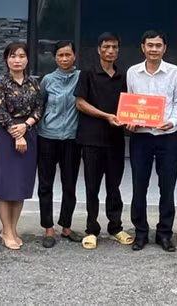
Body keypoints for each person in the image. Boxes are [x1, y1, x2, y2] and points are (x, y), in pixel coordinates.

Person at [126, 30, 177, 252]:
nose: (154, 49)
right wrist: (130, 120)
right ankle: (140, 232)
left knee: (167, 187)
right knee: (139, 186)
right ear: (143, 48)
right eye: (150, 45)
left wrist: (172, 121)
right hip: (140, 138)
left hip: (166, 137)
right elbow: (130, 102)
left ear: (164, 48)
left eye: (158, 45)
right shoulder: (133, 73)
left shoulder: (174, 72)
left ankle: (164, 233)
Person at [74, 32, 132, 250]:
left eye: (115, 47)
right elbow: (80, 103)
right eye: (106, 47)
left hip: (115, 140)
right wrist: (106, 116)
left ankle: (115, 227)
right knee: (92, 186)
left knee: (114, 186)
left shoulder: (123, 76)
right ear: (99, 49)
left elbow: (131, 106)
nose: (110, 51)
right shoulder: (88, 73)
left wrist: (132, 119)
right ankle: (91, 229)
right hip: (91, 140)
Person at [0, 42, 42, 250]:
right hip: (6, 135)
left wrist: (26, 126)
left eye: (21, 56)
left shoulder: (34, 83)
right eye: (13, 56)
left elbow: (39, 107)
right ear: (6, 59)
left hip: (28, 133)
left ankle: (13, 227)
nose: (17, 60)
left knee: (20, 185)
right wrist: (15, 132)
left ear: (27, 59)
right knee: (6, 185)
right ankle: (6, 230)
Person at [37, 40, 82, 248]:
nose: (64, 59)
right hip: (47, 137)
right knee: (45, 184)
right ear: (55, 57)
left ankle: (66, 226)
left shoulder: (81, 78)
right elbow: (40, 104)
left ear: (74, 56)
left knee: (69, 184)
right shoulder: (47, 80)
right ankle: (48, 228)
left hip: (72, 138)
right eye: (60, 55)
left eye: (68, 55)